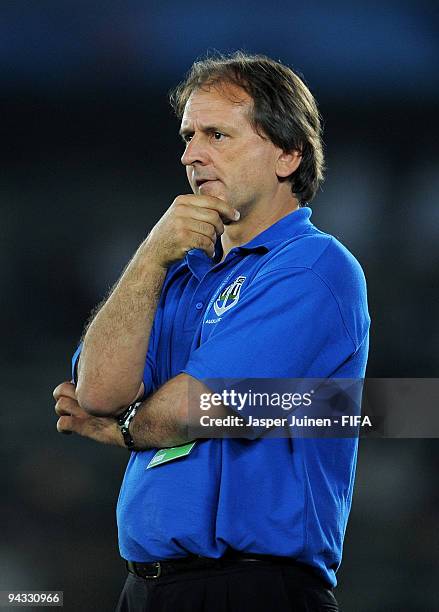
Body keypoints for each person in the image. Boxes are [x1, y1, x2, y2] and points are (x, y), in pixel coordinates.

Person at [53, 52, 370, 611]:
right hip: (147, 586)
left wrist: (123, 430)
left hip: (254, 587)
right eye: (189, 135)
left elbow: (200, 405)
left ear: (287, 154)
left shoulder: (314, 268)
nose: (190, 153)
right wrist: (151, 257)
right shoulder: (172, 273)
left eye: (217, 134)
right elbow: (95, 393)